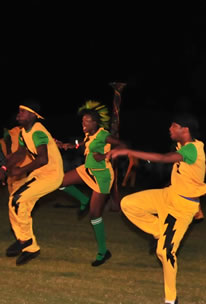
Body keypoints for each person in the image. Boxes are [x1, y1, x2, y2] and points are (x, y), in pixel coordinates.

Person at [109, 114, 206, 304]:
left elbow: (163, 159)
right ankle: (159, 231)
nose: (169, 128)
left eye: (174, 126)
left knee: (165, 253)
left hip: (182, 208)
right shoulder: (185, 146)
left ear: (185, 130)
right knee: (128, 204)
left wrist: (128, 151)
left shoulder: (192, 148)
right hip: (168, 195)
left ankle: (170, 299)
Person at [56, 101, 124, 266]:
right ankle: (83, 200)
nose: (84, 124)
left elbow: (122, 145)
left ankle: (103, 252)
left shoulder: (103, 135)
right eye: (82, 121)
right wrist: (68, 145)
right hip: (87, 170)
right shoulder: (89, 135)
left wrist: (106, 155)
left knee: (94, 215)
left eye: (87, 122)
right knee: (60, 181)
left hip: (102, 176)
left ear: (95, 123)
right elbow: (84, 145)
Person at [0, 101, 64, 265]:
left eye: (22, 112)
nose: (18, 115)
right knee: (15, 201)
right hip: (41, 173)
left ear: (33, 115)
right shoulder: (23, 132)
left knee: (17, 200)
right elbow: (21, 152)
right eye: (19, 111)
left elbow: (43, 158)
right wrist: (6, 167)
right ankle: (28, 244)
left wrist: (20, 171)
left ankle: (25, 241)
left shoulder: (37, 132)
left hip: (52, 175)